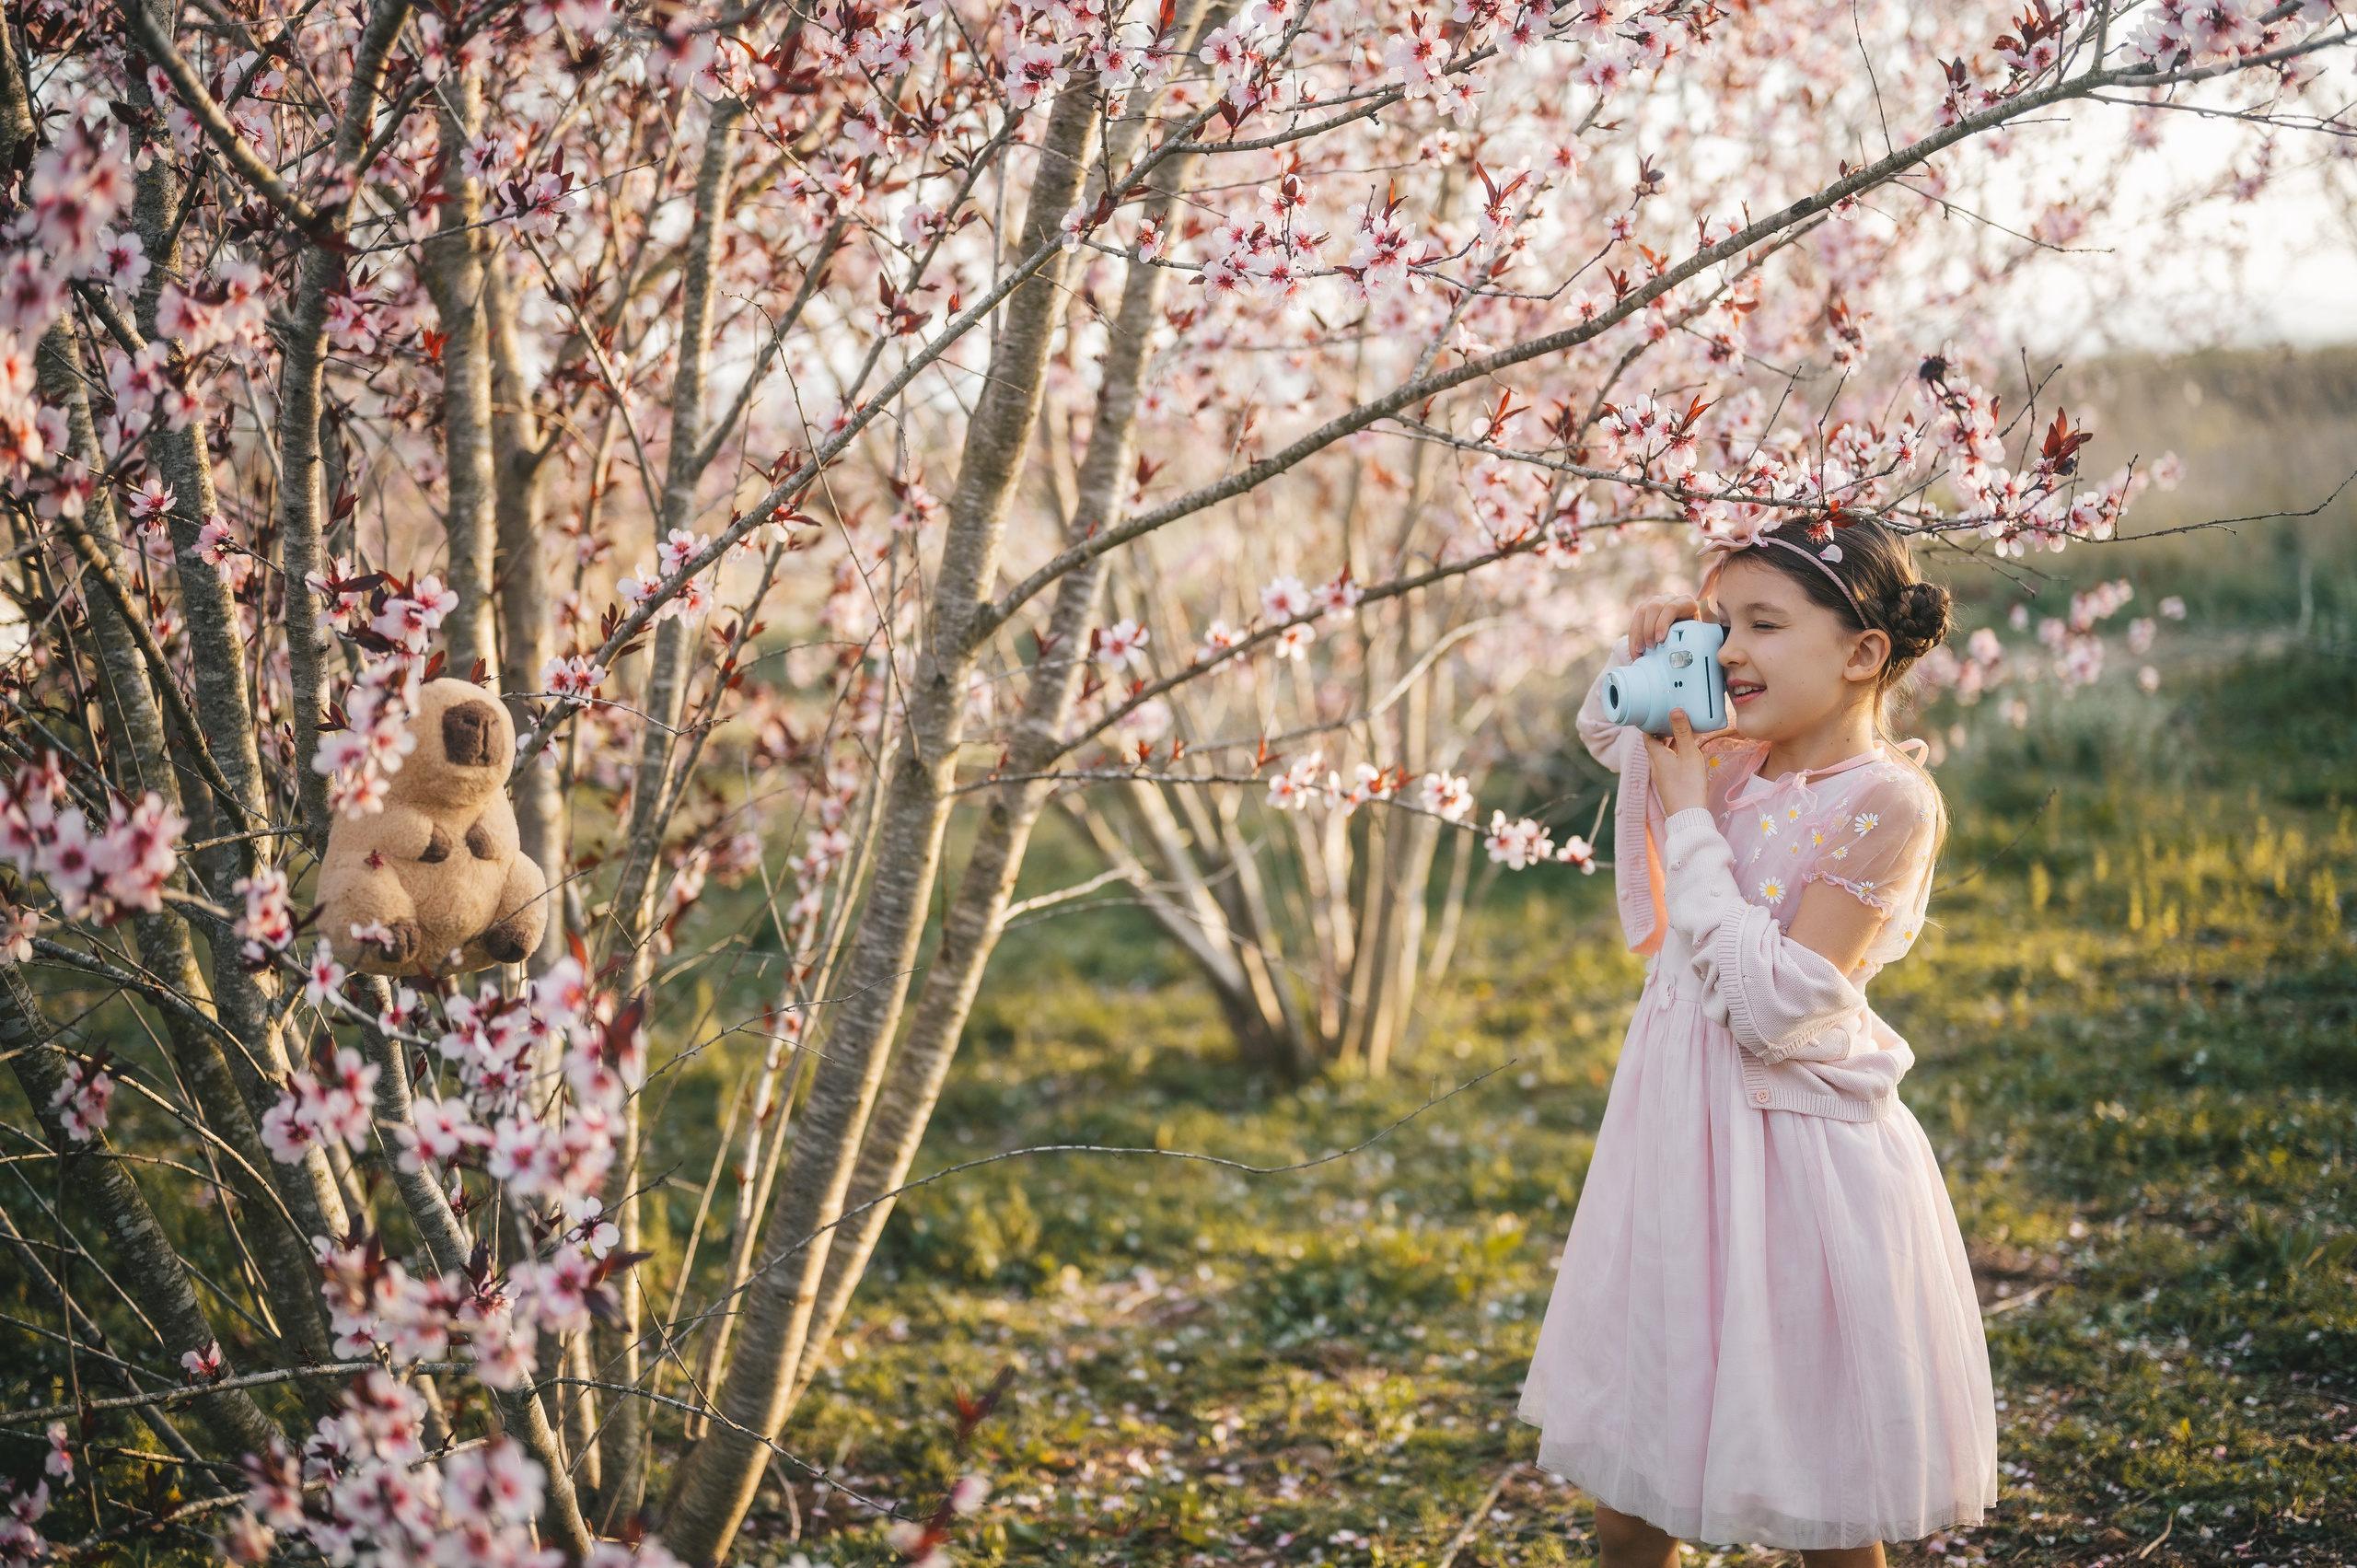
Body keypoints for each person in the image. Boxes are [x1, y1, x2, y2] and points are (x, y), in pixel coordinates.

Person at [1518, 517, 1997, 1567]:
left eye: (1763, 624)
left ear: (1862, 652)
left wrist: (1689, 820)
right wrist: (1646, 659)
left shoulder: (1886, 802)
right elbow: (1610, 731)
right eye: (1721, 621)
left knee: (1816, 1491)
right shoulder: (1732, 752)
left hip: (1794, 1169)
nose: (1729, 649)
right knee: (1628, 1492)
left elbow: (1773, 1003)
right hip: (1675, 1144)